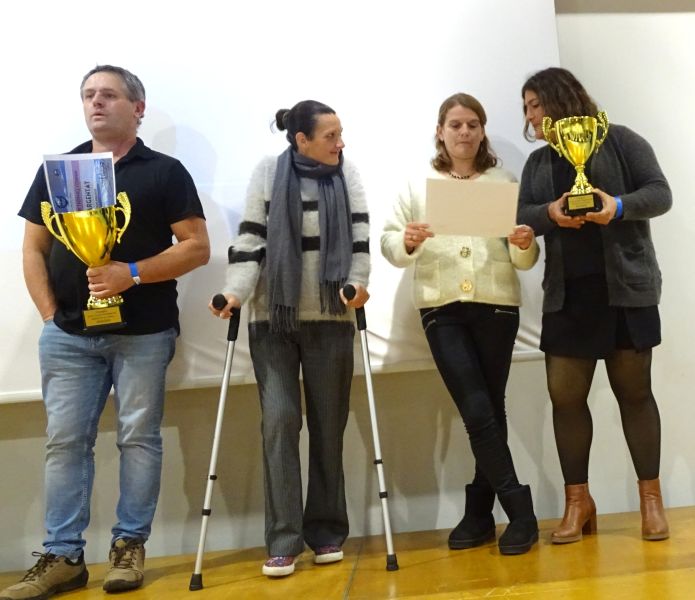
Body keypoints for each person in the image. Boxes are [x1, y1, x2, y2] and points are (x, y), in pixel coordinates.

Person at [1, 65, 210, 600]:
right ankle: (63, 556)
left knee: (138, 438)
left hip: (143, 333)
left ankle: (128, 547)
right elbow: (33, 248)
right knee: (65, 443)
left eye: (109, 95)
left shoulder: (164, 171)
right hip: (68, 336)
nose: (96, 102)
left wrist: (130, 273)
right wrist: (50, 316)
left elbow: (196, 247)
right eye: (89, 95)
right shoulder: (60, 171)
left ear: (137, 108)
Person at [210, 100, 370, 577]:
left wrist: (357, 284)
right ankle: (283, 539)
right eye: (330, 136)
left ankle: (326, 530)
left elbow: (359, 242)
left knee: (328, 425)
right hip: (273, 320)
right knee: (280, 423)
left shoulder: (347, 173)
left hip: (330, 318)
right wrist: (234, 293)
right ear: (302, 140)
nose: (340, 143)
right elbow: (251, 240)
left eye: (341, 134)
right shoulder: (268, 172)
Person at [381, 93, 540, 555]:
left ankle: (478, 514)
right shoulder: (419, 183)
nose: (464, 132)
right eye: (455, 124)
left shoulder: (503, 181)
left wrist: (525, 243)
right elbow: (390, 241)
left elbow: (525, 258)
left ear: (483, 130)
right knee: (475, 406)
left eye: (473, 124)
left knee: (488, 408)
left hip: (497, 306)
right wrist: (407, 240)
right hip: (441, 307)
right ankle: (520, 510)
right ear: (440, 131)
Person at [518, 67, 672, 544]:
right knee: (565, 398)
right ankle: (578, 502)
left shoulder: (621, 140)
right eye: (526, 109)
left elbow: (660, 193)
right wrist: (550, 214)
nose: (530, 116)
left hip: (626, 292)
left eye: (535, 105)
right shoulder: (538, 163)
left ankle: (651, 501)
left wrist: (616, 206)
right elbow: (522, 214)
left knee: (635, 394)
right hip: (568, 296)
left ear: (560, 98)